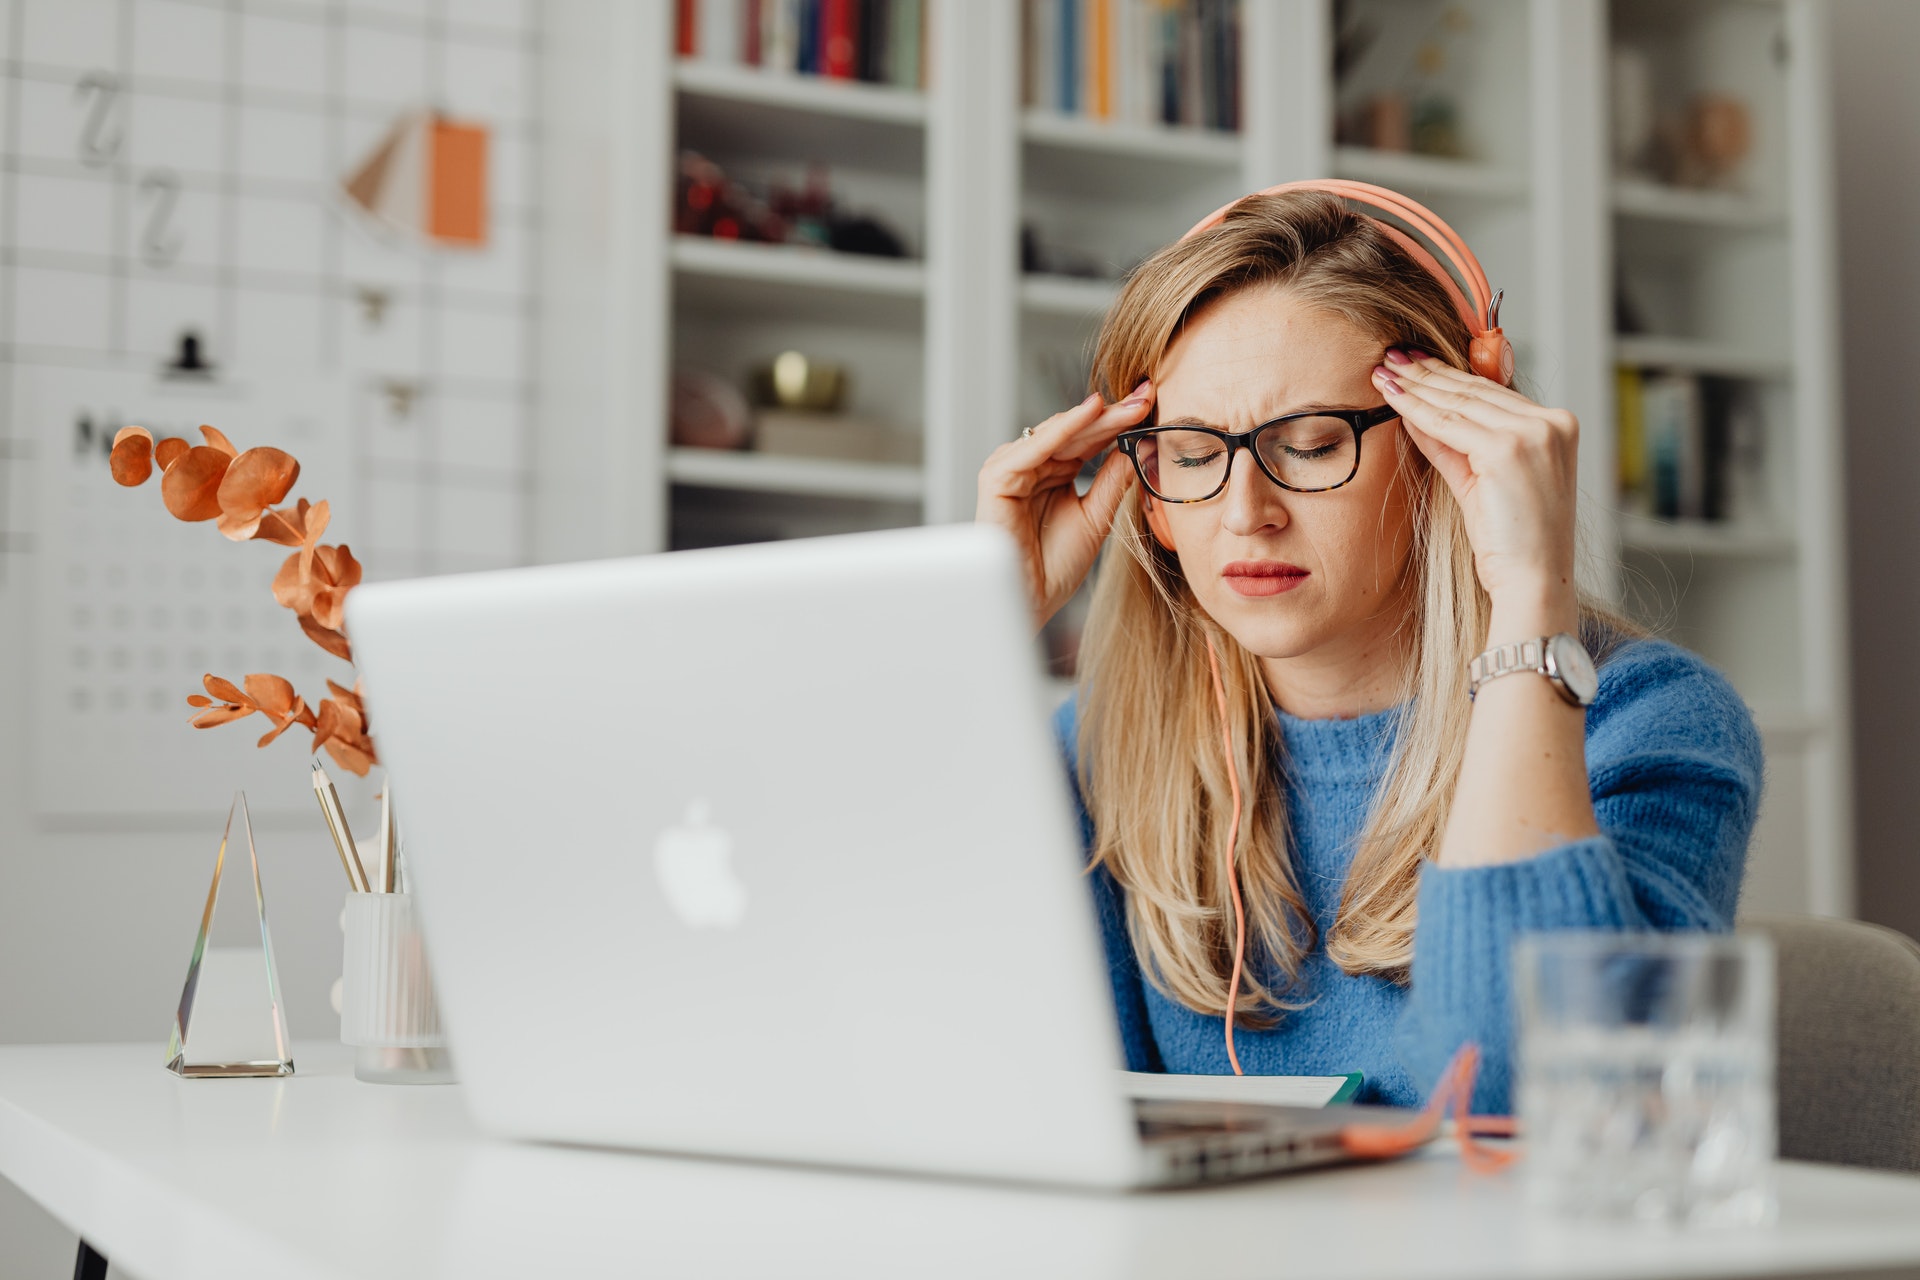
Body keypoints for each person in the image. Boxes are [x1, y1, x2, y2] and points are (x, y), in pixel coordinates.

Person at [974, 188, 1763, 1113]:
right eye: (1191, 455)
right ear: (1146, 492)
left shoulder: (1648, 725)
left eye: (1309, 445)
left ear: (1448, 448)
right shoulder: (1103, 747)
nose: (1246, 513)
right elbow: (990, 1078)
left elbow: (1518, 1102)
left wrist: (1527, 606)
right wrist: (977, 635)